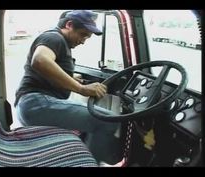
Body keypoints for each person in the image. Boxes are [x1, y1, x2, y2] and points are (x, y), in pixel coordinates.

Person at [14, 10, 124, 166]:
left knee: (94, 121)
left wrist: (71, 79)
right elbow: (39, 61)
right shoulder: (54, 37)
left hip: (32, 105)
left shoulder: (60, 42)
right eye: (82, 34)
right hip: (36, 104)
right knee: (108, 120)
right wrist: (81, 89)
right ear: (69, 25)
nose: (83, 40)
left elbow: (48, 73)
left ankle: (80, 158)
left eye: (87, 37)